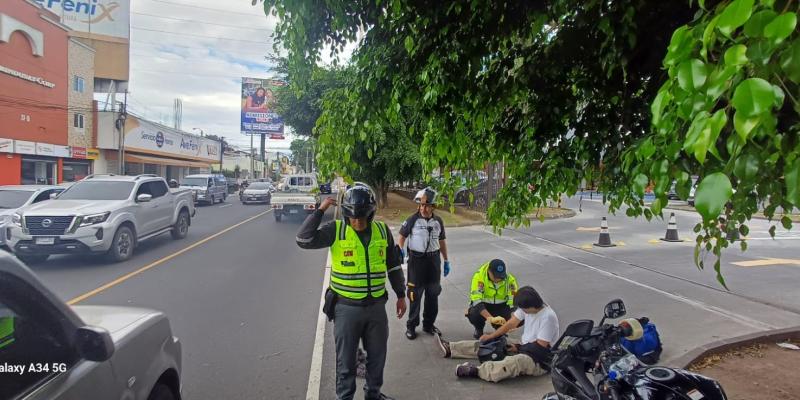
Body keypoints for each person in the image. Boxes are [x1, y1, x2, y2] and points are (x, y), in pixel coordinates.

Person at [296, 184, 407, 400]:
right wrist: (319, 210)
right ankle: (344, 397)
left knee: (377, 358)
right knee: (345, 362)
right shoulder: (335, 230)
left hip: (376, 308)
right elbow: (303, 239)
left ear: (371, 213)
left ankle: (373, 395)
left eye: (362, 218)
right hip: (346, 309)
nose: (358, 222)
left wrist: (401, 295)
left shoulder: (383, 231)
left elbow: (393, 265)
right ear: (346, 214)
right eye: (353, 218)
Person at [434, 286, 559, 383]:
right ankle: (451, 348)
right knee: (494, 342)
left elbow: (540, 348)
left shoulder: (548, 317)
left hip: (539, 360)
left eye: (522, 308)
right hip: (525, 346)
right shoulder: (528, 308)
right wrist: (492, 336)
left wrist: (518, 348)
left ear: (530, 306)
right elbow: (511, 323)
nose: (520, 311)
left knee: (515, 362)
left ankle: (476, 371)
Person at [398, 187, 450, 340]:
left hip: (433, 262)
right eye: (421, 205)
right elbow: (401, 236)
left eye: (427, 205)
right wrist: (400, 250)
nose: (424, 208)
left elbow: (441, 241)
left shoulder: (438, 221)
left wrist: (446, 260)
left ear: (433, 207)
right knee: (415, 295)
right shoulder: (412, 220)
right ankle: (411, 326)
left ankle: (428, 324)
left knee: (433, 294)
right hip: (416, 262)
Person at [465, 259, 518, 339]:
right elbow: (476, 300)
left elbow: (513, 300)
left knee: (520, 314)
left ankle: (500, 329)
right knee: (473, 313)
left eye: (500, 277)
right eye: (496, 276)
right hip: (484, 306)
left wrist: (512, 319)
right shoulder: (479, 277)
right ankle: (479, 329)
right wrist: (491, 318)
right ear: (489, 271)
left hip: (501, 306)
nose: (498, 279)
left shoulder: (510, 280)